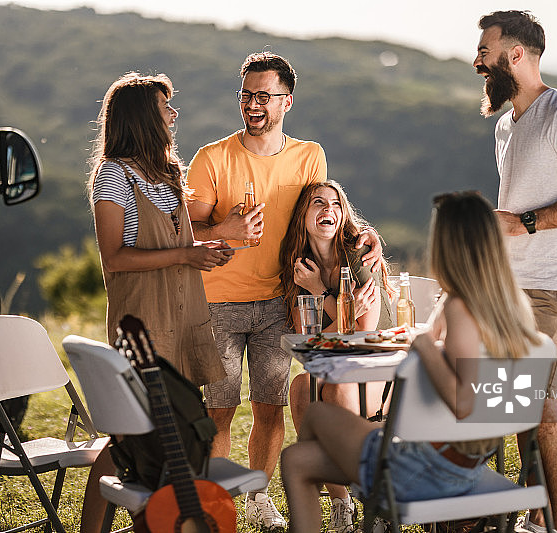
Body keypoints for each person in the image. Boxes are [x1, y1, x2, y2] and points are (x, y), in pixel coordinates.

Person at [186, 51, 383, 530]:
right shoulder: (213, 157)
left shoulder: (309, 155)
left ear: (286, 101)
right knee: (219, 412)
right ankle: (217, 504)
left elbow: (326, 211)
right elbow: (183, 230)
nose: (253, 105)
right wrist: (225, 228)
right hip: (217, 302)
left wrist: (365, 235)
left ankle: (256, 498)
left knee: (271, 408)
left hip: (279, 301)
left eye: (264, 96)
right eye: (246, 95)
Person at [281, 191, 543, 532]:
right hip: (470, 462)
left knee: (309, 430)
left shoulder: (459, 308)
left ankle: (364, 506)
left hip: (433, 468)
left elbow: (464, 401)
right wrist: (419, 338)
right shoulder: (512, 304)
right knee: (302, 443)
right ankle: (347, 503)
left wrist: (423, 346)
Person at [473, 11, 557, 533]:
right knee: (514, 405)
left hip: (552, 287)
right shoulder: (508, 123)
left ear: (516, 56)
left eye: (485, 52)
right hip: (509, 286)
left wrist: (524, 223)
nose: (477, 61)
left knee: (539, 407)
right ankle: (536, 517)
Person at [81, 72, 232, 533]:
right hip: (143, 324)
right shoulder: (113, 176)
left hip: (184, 319)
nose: (174, 114)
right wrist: (188, 253)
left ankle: (154, 522)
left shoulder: (167, 172)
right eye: (166, 107)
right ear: (144, 117)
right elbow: (116, 259)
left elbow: (177, 242)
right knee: (129, 439)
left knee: (176, 432)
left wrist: (208, 250)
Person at [279, 180, 394, 532]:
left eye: (335, 204)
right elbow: (310, 344)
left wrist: (321, 294)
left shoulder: (358, 256)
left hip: (387, 372)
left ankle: (374, 499)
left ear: (343, 214)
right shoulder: (302, 267)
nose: (328, 209)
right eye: (318, 203)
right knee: (301, 387)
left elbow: (362, 336)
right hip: (343, 368)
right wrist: (331, 300)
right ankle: (342, 502)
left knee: (337, 389)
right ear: (304, 215)